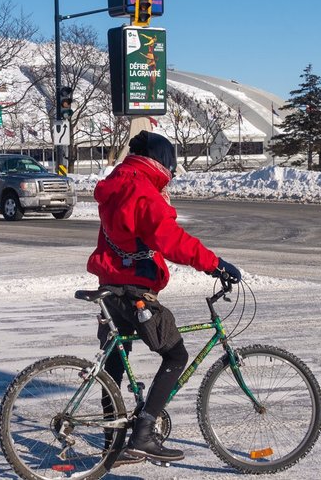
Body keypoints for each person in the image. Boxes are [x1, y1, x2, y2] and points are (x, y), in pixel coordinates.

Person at [88, 130, 242, 465]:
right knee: (175, 355)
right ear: (162, 162)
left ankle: (112, 448)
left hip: (110, 285)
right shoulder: (140, 189)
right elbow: (169, 238)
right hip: (133, 291)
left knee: (114, 363)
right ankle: (142, 435)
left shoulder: (117, 182)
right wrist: (215, 264)